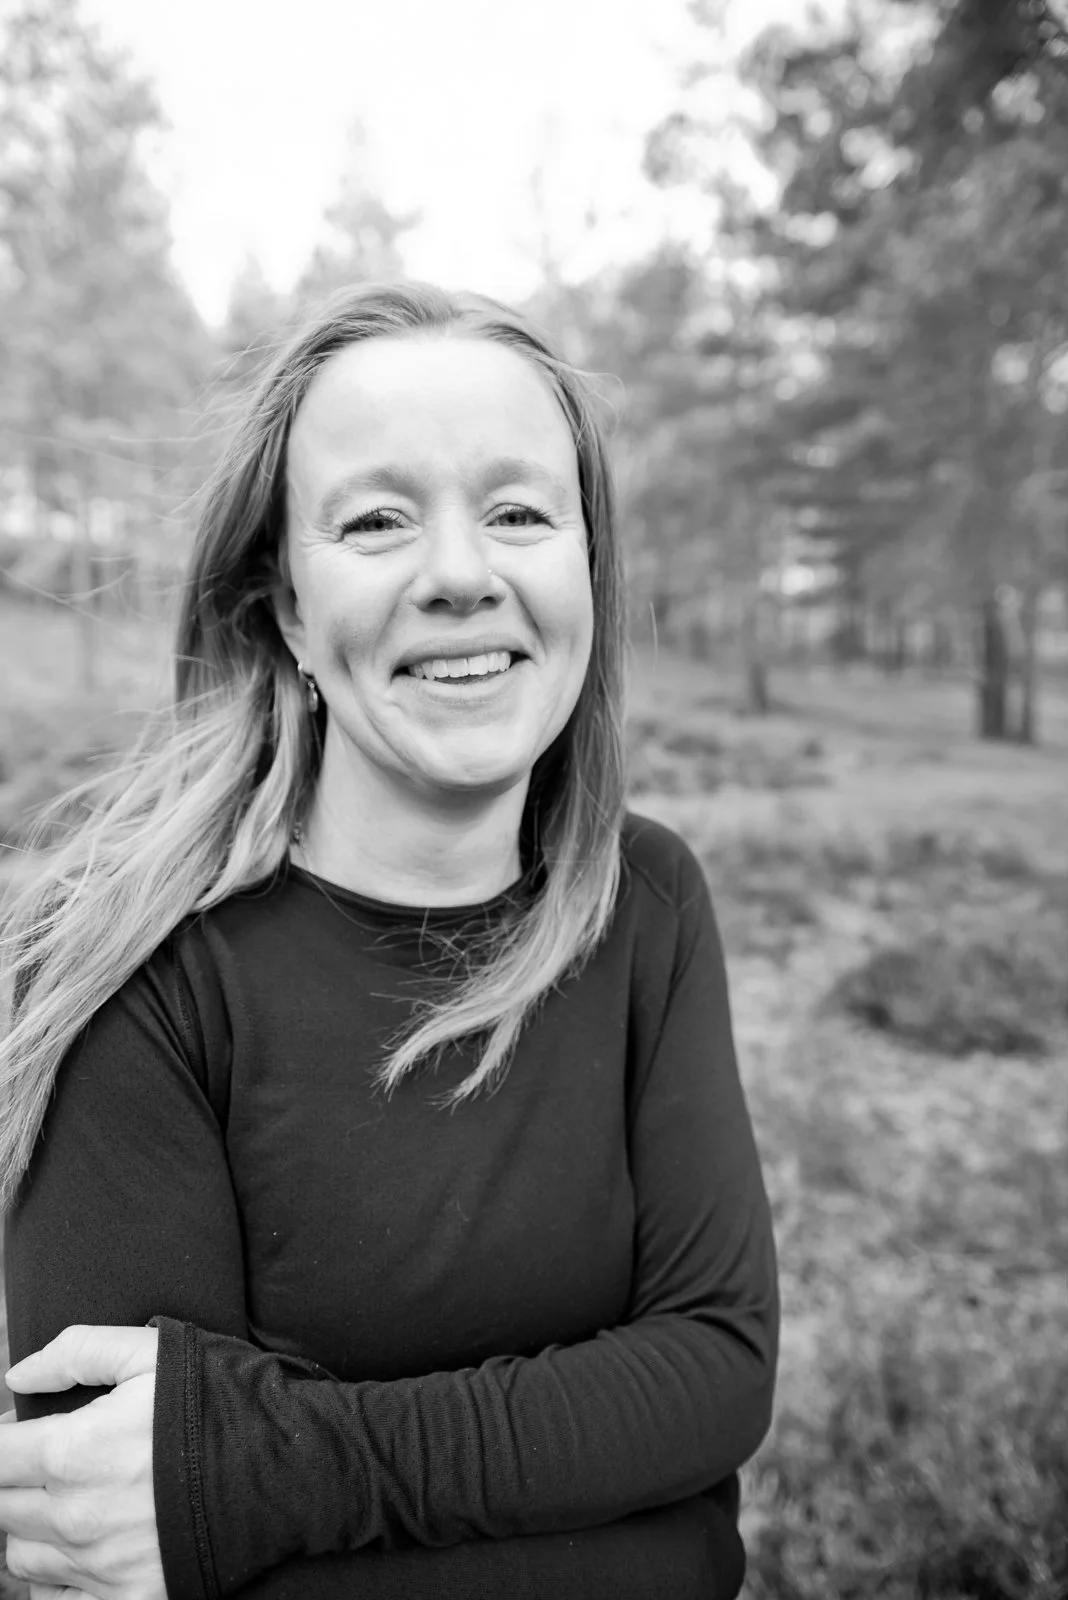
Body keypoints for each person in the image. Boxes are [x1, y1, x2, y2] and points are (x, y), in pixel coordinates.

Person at [0, 280, 779, 1600]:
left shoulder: (646, 904)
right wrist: (624, 1511)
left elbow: (717, 1372)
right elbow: (109, 1544)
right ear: (289, 610)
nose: (465, 576)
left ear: (586, 569)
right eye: (376, 521)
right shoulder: (131, 968)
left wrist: (274, 1470)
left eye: (521, 512)